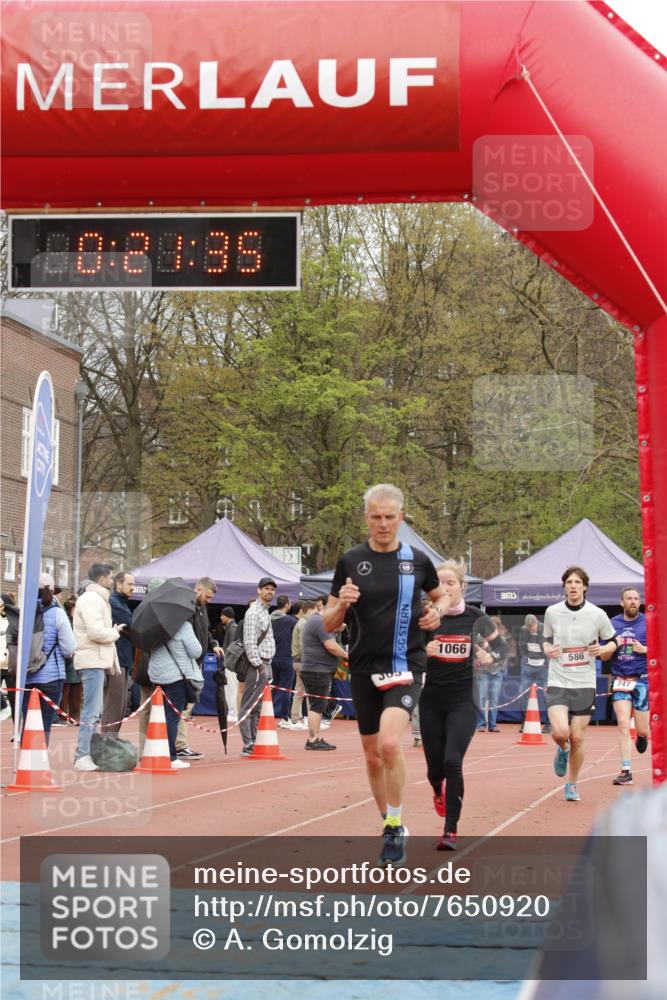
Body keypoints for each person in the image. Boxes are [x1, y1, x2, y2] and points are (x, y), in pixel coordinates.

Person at [324, 483, 450, 866]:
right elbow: (329, 622)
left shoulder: (417, 560)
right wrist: (342, 606)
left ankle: (394, 825)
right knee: (372, 756)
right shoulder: (350, 561)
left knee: (391, 745)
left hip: (405, 664)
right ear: (366, 518)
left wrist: (437, 612)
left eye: (389, 517)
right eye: (376, 516)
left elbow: (440, 595)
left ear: (401, 518)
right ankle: (388, 820)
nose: (383, 523)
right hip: (363, 666)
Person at [422, 560, 498, 849]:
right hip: (431, 699)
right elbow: (407, 652)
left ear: (462, 586)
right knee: (434, 771)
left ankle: (450, 830)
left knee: (452, 761)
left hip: (465, 699)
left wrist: (490, 657)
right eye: (439, 584)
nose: (445, 588)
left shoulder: (477, 617)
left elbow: (502, 649)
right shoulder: (427, 617)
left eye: (450, 583)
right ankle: (437, 790)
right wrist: (423, 650)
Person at [543, 566, 617, 802]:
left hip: (584, 682)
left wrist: (603, 648)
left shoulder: (597, 614)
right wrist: (548, 649)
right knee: (560, 733)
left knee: (577, 737)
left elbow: (613, 642)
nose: (573, 586)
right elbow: (545, 641)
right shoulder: (552, 612)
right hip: (558, 679)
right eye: (569, 582)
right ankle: (561, 749)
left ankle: (571, 784)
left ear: (585, 586)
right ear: (564, 587)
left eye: (577, 582)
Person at [73, 563, 123, 771]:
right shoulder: (92, 600)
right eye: (110, 577)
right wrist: (114, 633)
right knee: (91, 711)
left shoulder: (96, 599)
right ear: (102, 578)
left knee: (95, 710)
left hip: (97, 660)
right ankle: (82, 755)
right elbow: (95, 632)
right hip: (92, 660)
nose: (112, 581)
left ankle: (87, 754)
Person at [599, 587, 649, 785]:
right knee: (622, 723)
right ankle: (626, 770)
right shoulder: (613, 624)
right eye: (629, 598)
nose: (633, 601)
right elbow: (603, 655)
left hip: (642, 679)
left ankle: (643, 737)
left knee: (643, 730)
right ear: (622, 602)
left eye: (636, 598)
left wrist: (645, 649)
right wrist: (613, 645)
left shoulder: (648, 622)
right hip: (620, 678)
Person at [19, 574, 76, 744]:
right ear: (51, 590)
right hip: (50, 676)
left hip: (26, 675)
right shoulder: (57, 614)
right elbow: (69, 648)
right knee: (44, 722)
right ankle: (38, 760)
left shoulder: (24, 611)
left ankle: (25, 759)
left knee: (28, 720)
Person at [148, 613, 202, 769]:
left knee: (159, 716)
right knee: (172, 717)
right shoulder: (183, 626)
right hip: (176, 676)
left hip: (156, 674)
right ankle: (170, 756)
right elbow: (196, 651)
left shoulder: (153, 627)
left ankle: (156, 752)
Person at [175, 576, 218, 761]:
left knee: (188, 705)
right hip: (187, 662)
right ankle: (180, 745)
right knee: (185, 705)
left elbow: (205, 632)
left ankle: (179, 744)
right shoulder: (187, 608)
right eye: (207, 596)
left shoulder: (202, 608)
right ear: (198, 589)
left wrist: (213, 644)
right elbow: (187, 636)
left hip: (196, 661)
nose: (208, 601)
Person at [300, 604, 348, 750]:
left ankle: (315, 737)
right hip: (317, 670)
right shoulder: (319, 622)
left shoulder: (319, 621)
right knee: (317, 705)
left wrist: (336, 629)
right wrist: (347, 655)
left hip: (317, 669)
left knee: (318, 705)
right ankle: (313, 739)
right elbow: (331, 645)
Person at [239, 577, 277, 756]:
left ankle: (254, 741)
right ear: (259, 590)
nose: (270, 592)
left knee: (258, 705)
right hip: (258, 664)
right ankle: (248, 744)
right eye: (267, 588)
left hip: (266, 663)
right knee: (248, 705)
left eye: (272, 589)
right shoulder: (253, 612)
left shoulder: (265, 612)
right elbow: (249, 642)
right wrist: (259, 665)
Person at [103, 571, 135, 733]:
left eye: (133, 584)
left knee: (121, 706)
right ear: (118, 584)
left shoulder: (123, 603)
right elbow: (131, 624)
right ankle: (106, 743)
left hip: (125, 658)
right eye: (129, 584)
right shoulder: (114, 602)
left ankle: (111, 741)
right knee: (113, 705)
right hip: (116, 659)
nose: (133, 588)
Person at [475, 615, 508, 733]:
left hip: (496, 673)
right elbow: (474, 651)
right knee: (481, 698)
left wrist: (501, 669)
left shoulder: (501, 640)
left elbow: (505, 655)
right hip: (483, 672)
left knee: (494, 699)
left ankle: (493, 725)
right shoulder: (479, 637)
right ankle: (481, 724)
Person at [518, 613, 549, 732]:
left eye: (533, 628)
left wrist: (547, 662)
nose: (531, 630)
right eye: (529, 629)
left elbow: (551, 646)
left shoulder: (546, 630)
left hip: (544, 667)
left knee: (548, 695)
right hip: (528, 666)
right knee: (523, 692)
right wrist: (525, 658)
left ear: (536, 623)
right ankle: (524, 722)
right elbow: (521, 646)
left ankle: (548, 724)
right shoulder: (524, 630)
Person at [53, 596, 81, 725]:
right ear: (72, 609)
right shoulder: (67, 621)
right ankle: (64, 716)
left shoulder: (78, 621)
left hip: (76, 658)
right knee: (66, 689)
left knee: (75, 690)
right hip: (68, 658)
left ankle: (74, 717)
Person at [288, 600, 315, 730]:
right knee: (305, 692)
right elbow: (303, 644)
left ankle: (300, 718)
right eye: (315, 611)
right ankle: (305, 718)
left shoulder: (301, 623)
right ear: (309, 610)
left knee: (302, 691)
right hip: (303, 661)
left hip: (299, 661)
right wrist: (309, 660)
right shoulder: (304, 624)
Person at [271, 595, 297, 725]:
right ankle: (285, 717)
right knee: (285, 688)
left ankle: (266, 714)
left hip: (271, 658)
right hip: (286, 657)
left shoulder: (269, 619)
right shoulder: (290, 621)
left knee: (271, 688)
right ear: (287, 604)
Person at [218, 606, 239, 719]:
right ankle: (232, 711)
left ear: (227, 616)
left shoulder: (233, 628)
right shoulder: (231, 628)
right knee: (230, 688)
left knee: (232, 688)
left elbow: (232, 648)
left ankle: (233, 712)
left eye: (222, 615)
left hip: (231, 664)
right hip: (230, 663)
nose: (221, 617)